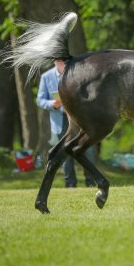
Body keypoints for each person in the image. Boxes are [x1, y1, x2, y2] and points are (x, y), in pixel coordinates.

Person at [37, 59, 95, 188]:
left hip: (79, 118)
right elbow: (40, 100)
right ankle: (70, 184)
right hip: (60, 119)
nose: (61, 64)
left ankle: (91, 181)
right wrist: (52, 104)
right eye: (59, 62)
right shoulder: (46, 77)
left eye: (63, 61)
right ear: (55, 62)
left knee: (87, 149)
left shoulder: (77, 73)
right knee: (65, 152)